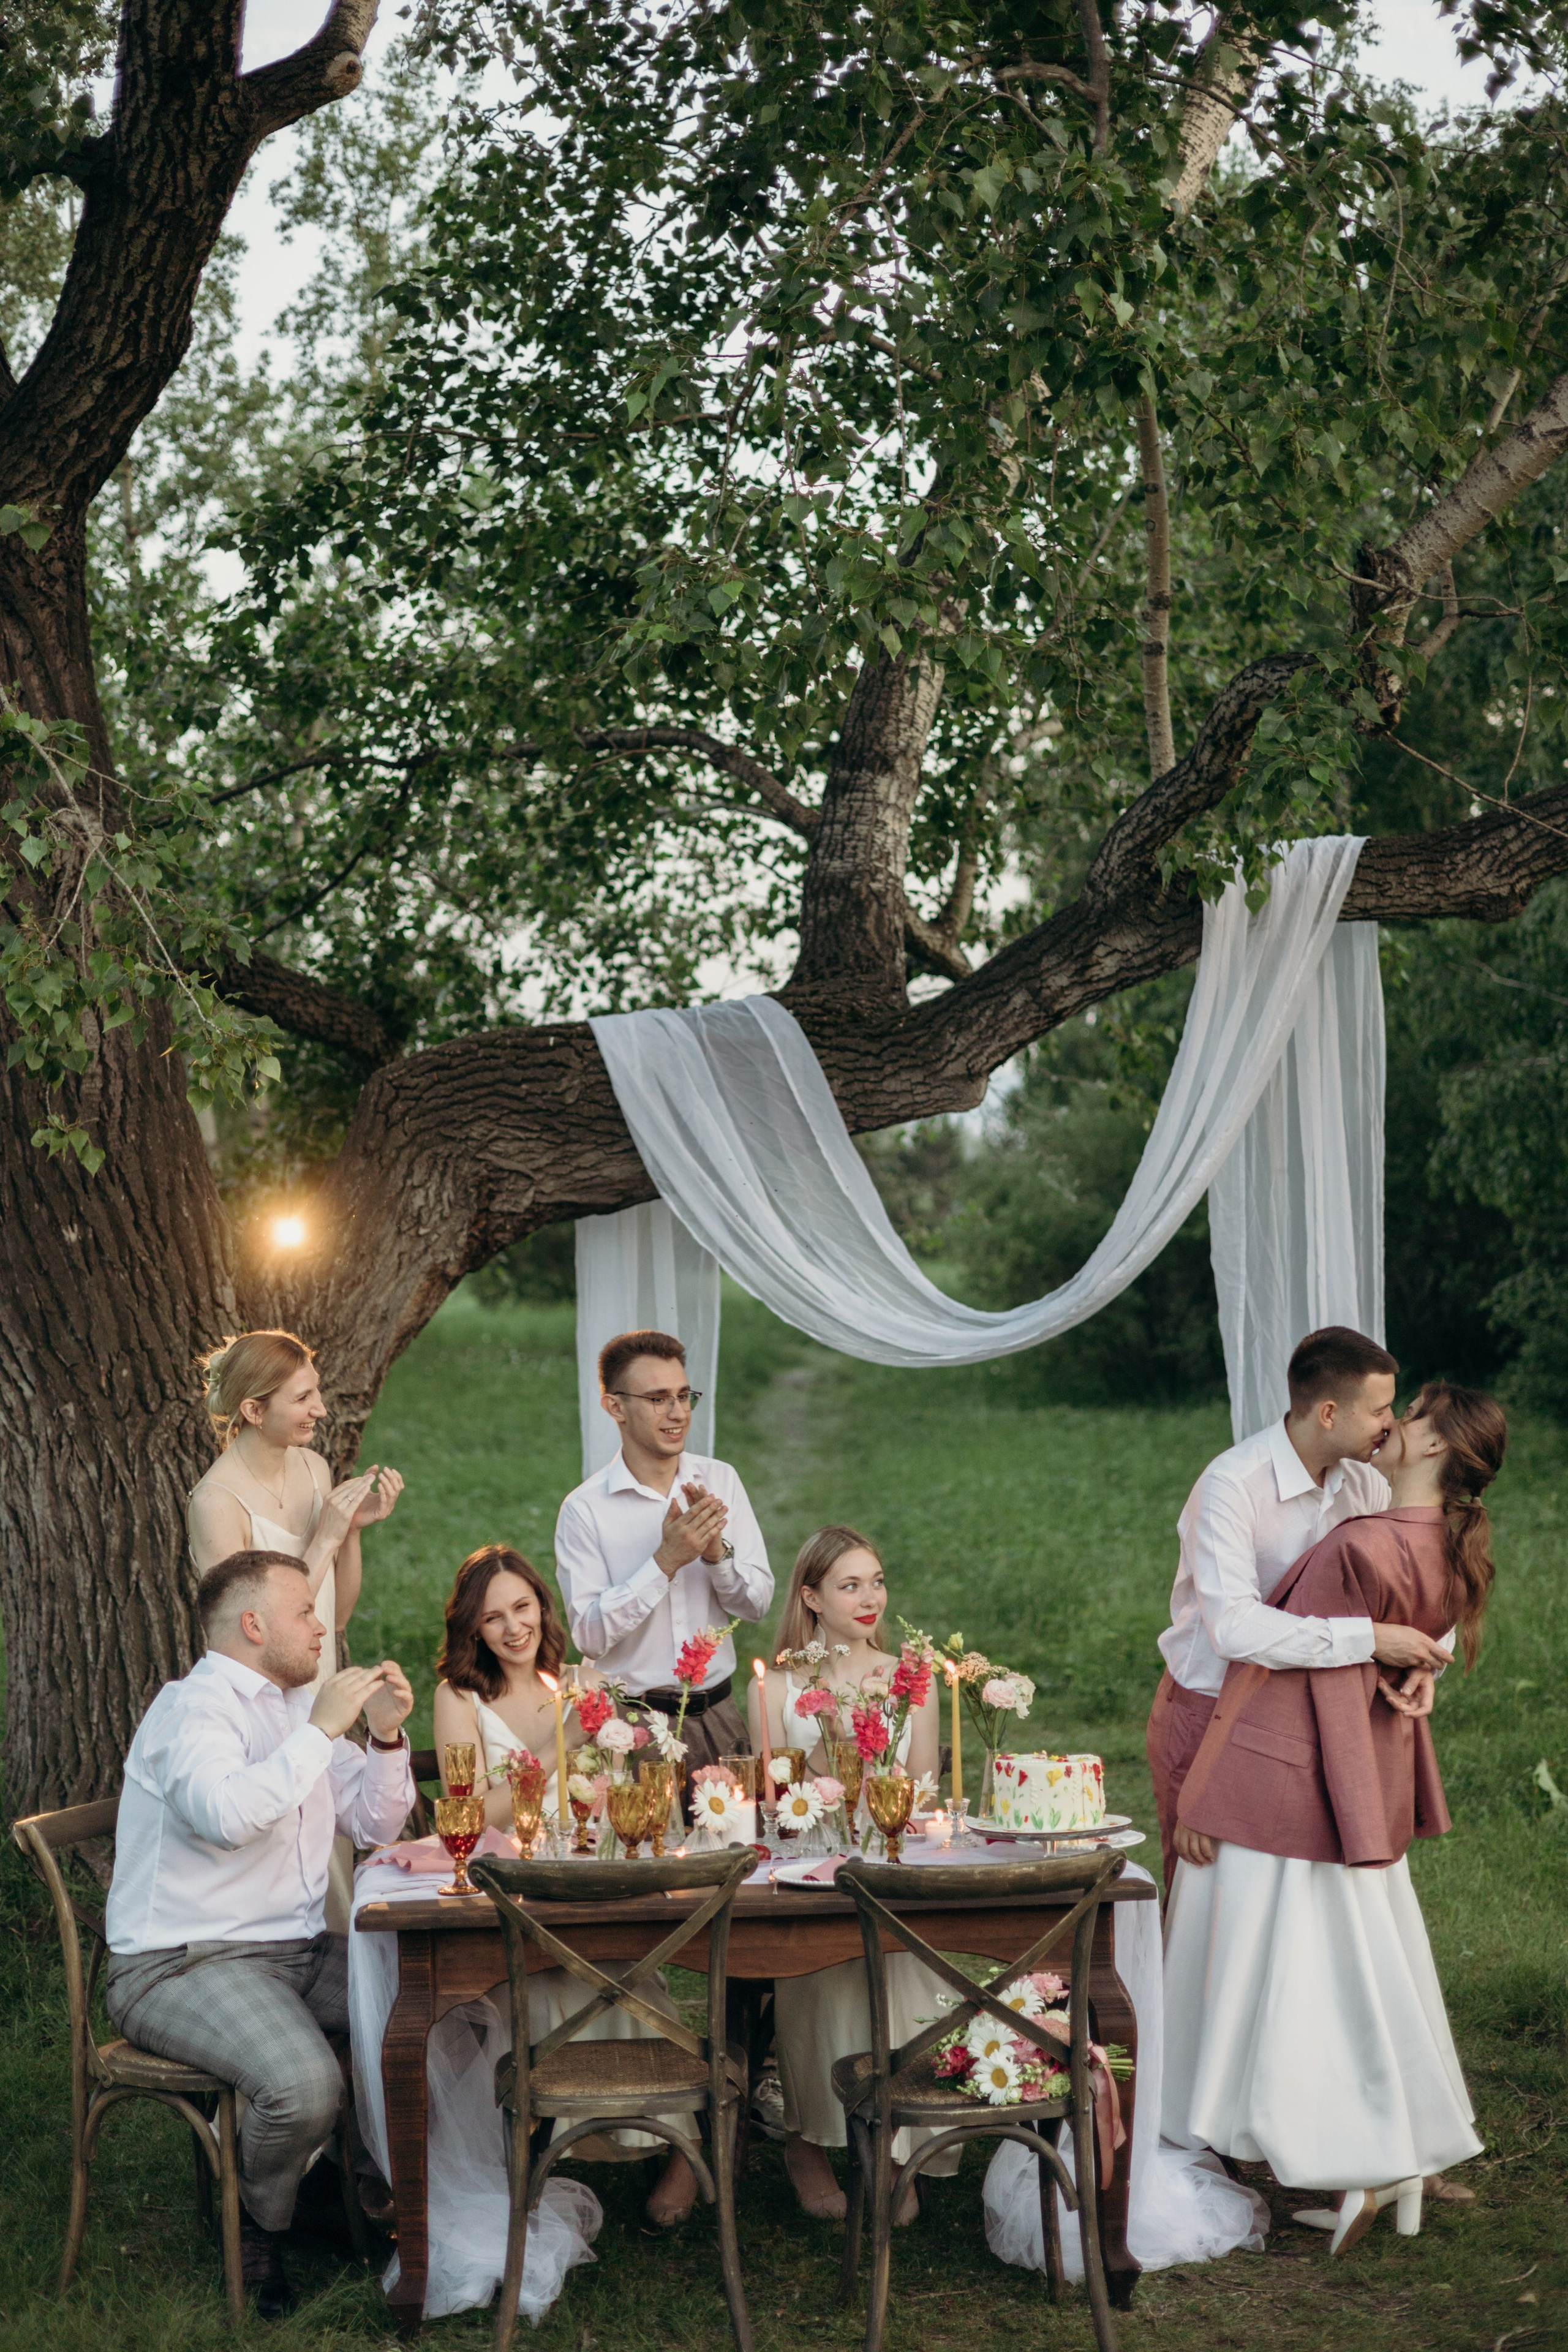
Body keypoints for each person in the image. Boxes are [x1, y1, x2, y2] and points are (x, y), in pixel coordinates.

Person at [1162, 1382, 1504, 2253]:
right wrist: (1414, 1654)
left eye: (1410, 1414)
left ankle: (1330, 2147)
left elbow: (1264, 1676)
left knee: (1265, 1963)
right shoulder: (1443, 1541)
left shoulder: (1360, 1532)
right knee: (1366, 1956)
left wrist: (1205, 1795)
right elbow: (1410, 1628)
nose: (1393, 1425)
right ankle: (1395, 2158)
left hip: (1289, 1771)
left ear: (1432, 1448)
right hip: (1359, 1771)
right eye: (1387, 1408)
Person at [105, 1550, 415, 2319]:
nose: (321, 1627)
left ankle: (371, 2193)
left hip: (297, 1953)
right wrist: (320, 1732)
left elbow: (376, 1823)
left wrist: (380, 1738)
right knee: (303, 2084)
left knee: (441, 2004)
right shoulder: (193, 1710)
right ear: (253, 1625)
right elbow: (229, 1819)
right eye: (305, 1612)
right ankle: (254, 2224)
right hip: (180, 1963)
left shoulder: (293, 1708)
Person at [431, 1543, 697, 2229]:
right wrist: (560, 1743)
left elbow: (620, 1786)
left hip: (591, 1870)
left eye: (523, 1607)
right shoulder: (459, 1698)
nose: (513, 1627)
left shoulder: (581, 1680)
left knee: (633, 1975)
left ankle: (682, 2144)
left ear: (542, 1608)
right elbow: (468, 1809)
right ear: (473, 1630)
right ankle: (544, 2138)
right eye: (493, 1618)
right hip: (509, 1886)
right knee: (546, 1983)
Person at [1146, 1325, 1452, 1895]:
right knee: (1202, 1900)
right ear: (1330, 1413)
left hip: (1309, 1716)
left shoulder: (1366, 1482)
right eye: (1381, 1409)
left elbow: (1414, 1576)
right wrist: (1370, 1641)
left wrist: (1425, 1659)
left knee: (1295, 1893)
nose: (1390, 1424)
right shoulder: (1231, 1487)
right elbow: (1233, 1627)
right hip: (1209, 1710)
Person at [750, 1526, 946, 2225]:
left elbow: (922, 1789)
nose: (870, 1598)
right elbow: (775, 1800)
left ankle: (896, 2147)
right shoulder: (775, 1685)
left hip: (891, 1860)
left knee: (900, 1971)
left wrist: (884, 1800)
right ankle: (806, 2140)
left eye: (877, 1581)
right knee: (821, 1972)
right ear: (811, 1596)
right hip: (811, 1865)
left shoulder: (907, 1677)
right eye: (849, 1585)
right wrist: (830, 1776)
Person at [554, 1329, 773, 1774]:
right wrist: (665, 1562)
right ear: (615, 1406)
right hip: (630, 1726)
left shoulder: (721, 1480)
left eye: (683, 1395)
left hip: (720, 1716)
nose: (678, 1413)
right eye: (658, 1399)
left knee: (740, 1843)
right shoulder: (585, 1509)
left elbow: (757, 1606)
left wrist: (717, 1557)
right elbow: (589, 1637)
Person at [189, 1329, 404, 1673]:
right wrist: (326, 1538)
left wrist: (350, 1530)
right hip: (263, 1701)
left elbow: (335, 1618)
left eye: (315, 1389)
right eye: (303, 1398)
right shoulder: (216, 1504)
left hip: (318, 1687)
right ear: (254, 1410)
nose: (320, 1409)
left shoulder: (314, 1468)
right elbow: (252, 1640)